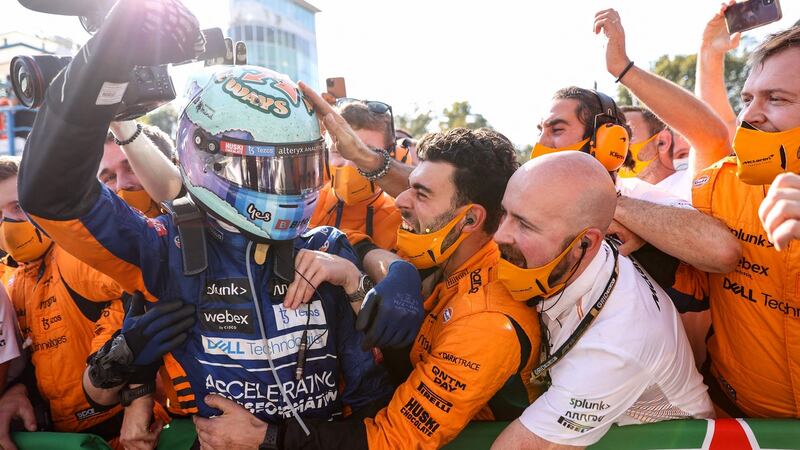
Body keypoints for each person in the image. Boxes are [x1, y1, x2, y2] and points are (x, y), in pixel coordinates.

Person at [17, 3, 395, 449]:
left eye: (300, 170)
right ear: (206, 156)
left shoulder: (329, 251)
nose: (288, 189)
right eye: (268, 172)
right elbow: (52, 194)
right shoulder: (167, 251)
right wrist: (107, 56)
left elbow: (375, 404)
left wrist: (275, 440)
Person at [247, 115, 542, 448]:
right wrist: (368, 271)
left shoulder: (487, 322)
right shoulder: (447, 251)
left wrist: (265, 437)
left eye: (421, 194)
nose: (400, 201)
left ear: (471, 218)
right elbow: (353, 240)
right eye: (409, 186)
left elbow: (392, 440)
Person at [491, 152, 714, 449]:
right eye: (504, 213)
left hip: (663, 442)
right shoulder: (582, 251)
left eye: (525, 225)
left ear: (586, 242)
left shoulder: (613, 346)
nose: (499, 234)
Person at [672, 19, 800, 417]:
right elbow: (709, 136)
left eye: (776, 99)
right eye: (748, 99)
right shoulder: (724, 184)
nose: (749, 116)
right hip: (740, 418)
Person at [529, 86, 739, 278]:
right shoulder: (528, 201)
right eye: (540, 131)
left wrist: (607, 204)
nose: (540, 142)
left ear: (608, 143)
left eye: (556, 130)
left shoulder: (640, 197)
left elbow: (722, 251)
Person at [0, 156, 126, 444]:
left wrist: (134, 396)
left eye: (18, 207)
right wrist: (19, 388)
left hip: (116, 429)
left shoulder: (74, 254)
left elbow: (143, 289)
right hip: (58, 431)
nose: (8, 223)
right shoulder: (10, 276)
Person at [310, 99, 404, 255]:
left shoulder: (399, 223)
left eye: (364, 153)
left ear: (390, 154)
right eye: (338, 151)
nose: (349, 164)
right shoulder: (305, 205)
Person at [620, 106, 692, 200]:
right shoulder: (617, 196)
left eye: (626, 137)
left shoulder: (690, 183)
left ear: (662, 142)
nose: (617, 148)